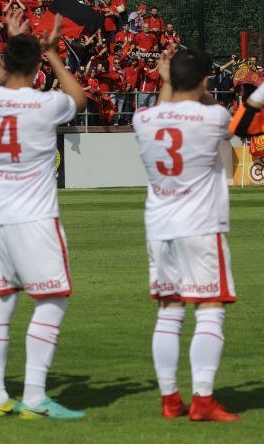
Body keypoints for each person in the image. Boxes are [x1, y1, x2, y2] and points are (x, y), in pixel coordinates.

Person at [0, 13, 88, 420]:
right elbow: (78, 98)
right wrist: (53, 53)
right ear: (37, 66)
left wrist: (14, 44)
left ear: (3, 63)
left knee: (1, 302)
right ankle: (35, 397)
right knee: (53, 300)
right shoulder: (44, 104)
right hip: (34, 216)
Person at [134, 48, 239, 421]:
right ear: (204, 80)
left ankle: (169, 400)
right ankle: (204, 401)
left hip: (159, 229)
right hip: (200, 226)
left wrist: (170, 83)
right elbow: (216, 114)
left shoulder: (142, 118)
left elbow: (169, 108)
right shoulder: (214, 115)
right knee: (210, 310)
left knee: (169, 313)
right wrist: (192, 86)